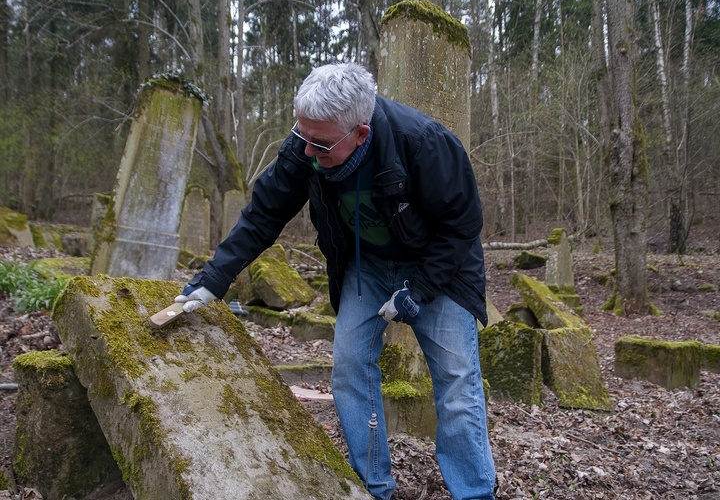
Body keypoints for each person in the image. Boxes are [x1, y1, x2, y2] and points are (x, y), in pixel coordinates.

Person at [175, 62, 496, 500]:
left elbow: (463, 224)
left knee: (457, 384)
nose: (307, 151)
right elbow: (265, 212)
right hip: (366, 268)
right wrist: (215, 278)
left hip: (438, 268)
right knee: (348, 368)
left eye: (320, 145)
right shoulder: (306, 144)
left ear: (360, 133)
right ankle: (373, 486)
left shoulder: (422, 143)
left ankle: (474, 492)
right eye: (301, 136)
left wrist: (418, 290)